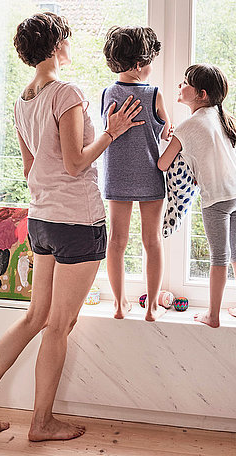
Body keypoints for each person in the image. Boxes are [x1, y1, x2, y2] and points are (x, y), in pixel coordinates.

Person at [0, 12, 144, 441]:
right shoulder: (67, 93)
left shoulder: (23, 100)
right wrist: (112, 132)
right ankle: (41, 423)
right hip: (77, 222)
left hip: (41, 220)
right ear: (57, 44)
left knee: (34, 318)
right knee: (58, 326)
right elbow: (76, 162)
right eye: (67, 39)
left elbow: (30, 169)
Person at [158, 63, 236, 328]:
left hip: (217, 199)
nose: (180, 86)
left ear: (201, 94)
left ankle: (213, 315)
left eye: (185, 82)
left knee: (219, 257)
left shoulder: (188, 126)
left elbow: (163, 164)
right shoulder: (224, 117)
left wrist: (168, 140)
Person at [101, 26, 172, 321]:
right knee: (151, 240)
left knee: (117, 240)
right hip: (148, 175)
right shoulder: (153, 93)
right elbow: (166, 130)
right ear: (141, 64)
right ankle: (153, 307)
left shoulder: (107, 93)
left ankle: (119, 304)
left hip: (117, 176)